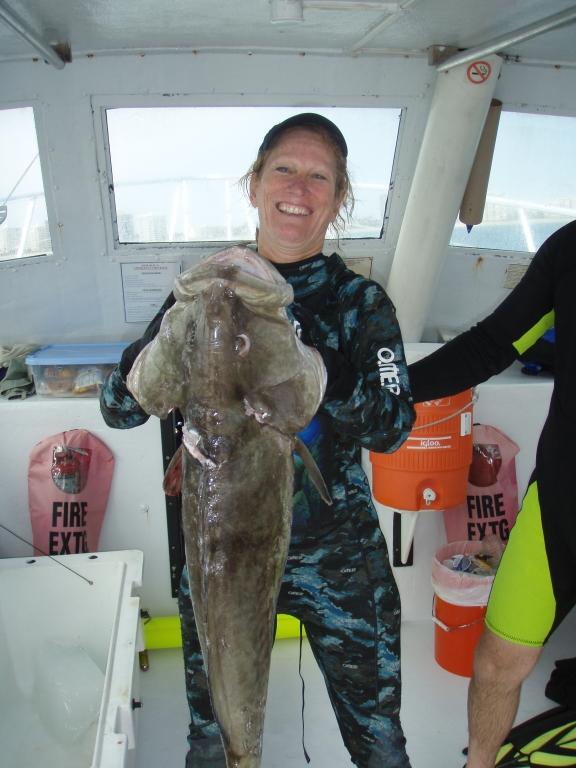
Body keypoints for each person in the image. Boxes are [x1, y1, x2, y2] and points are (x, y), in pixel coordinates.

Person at [100, 112, 415, 768]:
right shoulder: (204, 295)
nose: (298, 186)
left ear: (338, 197)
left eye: (318, 175)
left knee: (378, 731)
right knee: (215, 735)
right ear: (254, 184)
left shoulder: (360, 303)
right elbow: (119, 409)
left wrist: (312, 371)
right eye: (284, 169)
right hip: (218, 549)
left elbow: (393, 425)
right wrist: (154, 352)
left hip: (338, 551)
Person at [408, 219, 576, 768]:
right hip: (562, 504)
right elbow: (490, 345)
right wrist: (392, 389)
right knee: (499, 659)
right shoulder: (570, 248)